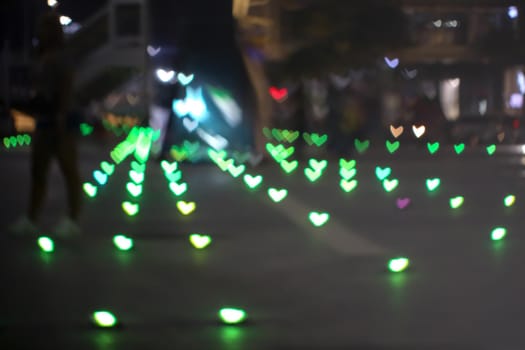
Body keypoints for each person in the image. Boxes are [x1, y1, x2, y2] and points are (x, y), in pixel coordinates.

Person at [9, 11, 81, 237]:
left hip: (61, 120)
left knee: (68, 170)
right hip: (44, 119)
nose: (41, 31)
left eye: (45, 27)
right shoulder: (42, 55)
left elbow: (67, 86)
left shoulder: (61, 57)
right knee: (37, 170)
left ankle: (72, 220)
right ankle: (31, 218)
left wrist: (61, 115)